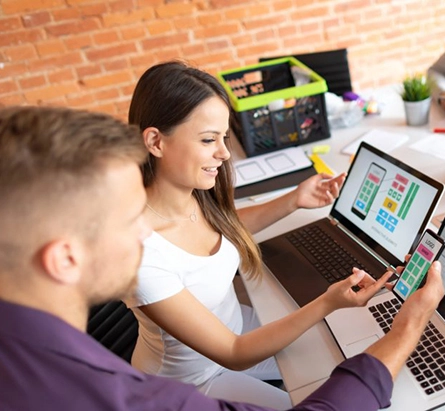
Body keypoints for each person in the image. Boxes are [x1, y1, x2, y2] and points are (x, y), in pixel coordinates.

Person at [0, 105, 445, 411]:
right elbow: (236, 356)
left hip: (230, 332)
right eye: (127, 218)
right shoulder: (122, 397)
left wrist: (292, 201)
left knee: (331, 353)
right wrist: (407, 327)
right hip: (205, 371)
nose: (144, 231)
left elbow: (209, 232)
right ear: (64, 259)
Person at [124, 61, 400, 408]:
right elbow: (233, 353)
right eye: (209, 140)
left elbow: (220, 228)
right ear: (155, 142)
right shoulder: (140, 255)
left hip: (240, 328)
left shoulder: (190, 194)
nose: (224, 153)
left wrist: (294, 200)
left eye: (224, 137)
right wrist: (328, 301)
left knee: (339, 359)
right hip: (194, 384)